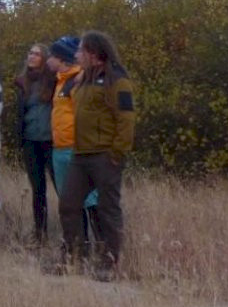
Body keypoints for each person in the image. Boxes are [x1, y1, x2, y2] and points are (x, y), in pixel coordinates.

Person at [59, 31, 136, 277]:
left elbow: (126, 120)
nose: (76, 55)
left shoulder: (118, 81)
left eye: (81, 50)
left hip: (105, 155)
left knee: (107, 209)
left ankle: (109, 262)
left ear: (94, 53)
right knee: (68, 204)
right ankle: (74, 258)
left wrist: (117, 153)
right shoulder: (84, 79)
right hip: (80, 155)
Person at [47, 36, 98, 251]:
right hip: (60, 148)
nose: (48, 60)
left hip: (76, 149)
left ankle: (104, 247)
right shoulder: (61, 81)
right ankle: (77, 247)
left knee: (89, 199)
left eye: (52, 55)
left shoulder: (78, 81)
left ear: (61, 58)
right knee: (69, 202)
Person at [11, 44, 56, 242]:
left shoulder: (53, 81)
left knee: (62, 187)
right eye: (30, 53)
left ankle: (73, 233)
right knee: (38, 190)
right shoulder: (24, 82)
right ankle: (40, 233)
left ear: (45, 58)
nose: (32, 56)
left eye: (37, 54)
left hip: (52, 141)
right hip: (31, 141)